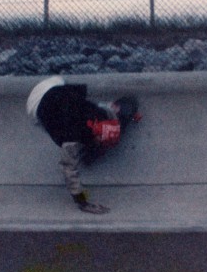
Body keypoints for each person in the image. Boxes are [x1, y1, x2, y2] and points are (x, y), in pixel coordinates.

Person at [26, 76, 139, 214]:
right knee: (71, 144)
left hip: (54, 84)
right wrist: (83, 201)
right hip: (34, 105)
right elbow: (69, 171)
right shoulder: (71, 140)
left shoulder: (99, 113)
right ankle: (87, 154)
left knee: (106, 114)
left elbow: (111, 110)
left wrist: (133, 116)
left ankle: (91, 148)